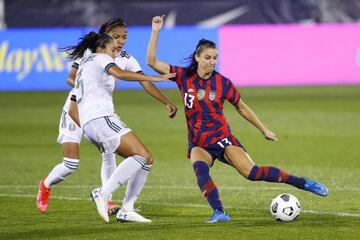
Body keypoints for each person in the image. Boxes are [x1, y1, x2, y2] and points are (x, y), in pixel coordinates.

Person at [146, 15, 328, 223]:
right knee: (200, 170)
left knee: (252, 173)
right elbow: (151, 62)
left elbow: (241, 107)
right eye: (207, 58)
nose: (212, 62)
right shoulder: (183, 76)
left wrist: (263, 129)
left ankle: (302, 183)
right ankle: (220, 213)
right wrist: (156, 31)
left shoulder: (223, 83)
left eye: (215, 58)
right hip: (199, 142)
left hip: (223, 139)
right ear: (197, 57)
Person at [36, 18, 178, 220]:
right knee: (71, 164)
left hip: (94, 113)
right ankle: (48, 185)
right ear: (104, 37)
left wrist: (165, 101)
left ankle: (109, 199)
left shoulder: (124, 57)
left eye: (124, 37)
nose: (120, 41)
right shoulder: (96, 54)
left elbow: (141, 80)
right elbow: (73, 78)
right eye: (116, 37)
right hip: (76, 108)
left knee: (110, 152)